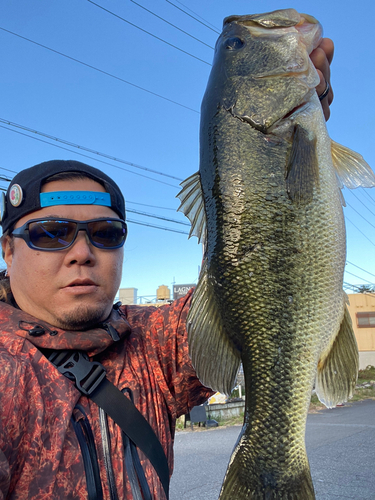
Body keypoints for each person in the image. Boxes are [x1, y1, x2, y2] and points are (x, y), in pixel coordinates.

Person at [0, 42, 334, 500]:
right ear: (8, 252)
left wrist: (277, 163)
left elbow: (244, 287)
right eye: (50, 233)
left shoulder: (150, 345)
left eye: (105, 233)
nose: (81, 252)